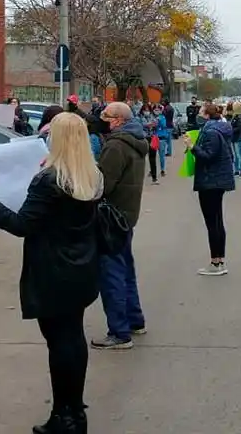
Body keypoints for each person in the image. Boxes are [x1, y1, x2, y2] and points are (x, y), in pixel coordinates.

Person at [0, 112, 102, 434]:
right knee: (73, 337)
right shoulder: (91, 175)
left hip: (53, 271)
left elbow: (22, 225)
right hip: (83, 267)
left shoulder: (49, 180)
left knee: (59, 342)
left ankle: (63, 417)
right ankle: (75, 411)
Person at [93, 102, 148, 350]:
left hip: (111, 217)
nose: (101, 120)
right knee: (125, 269)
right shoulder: (135, 140)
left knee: (111, 273)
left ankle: (119, 331)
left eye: (105, 116)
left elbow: (103, 185)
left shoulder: (116, 146)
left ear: (117, 121)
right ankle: (134, 320)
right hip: (126, 214)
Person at [183, 104, 235, 276]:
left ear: (206, 115)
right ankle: (219, 259)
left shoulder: (211, 132)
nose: (197, 114)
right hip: (215, 180)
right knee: (217, 221)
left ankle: (216, 262)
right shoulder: (216, 129)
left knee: (213, 222)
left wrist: (192, 147)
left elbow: (208, 156)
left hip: (211, 181)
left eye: (200, 112)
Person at [138, 103, 160, 185]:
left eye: (148, 110)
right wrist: (149, 125)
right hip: (143, 138)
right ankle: (139, 178)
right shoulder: (139, 117)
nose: (146, 112)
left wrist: (153, 124)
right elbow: (140, 125)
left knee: (152, 158)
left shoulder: (152, 116)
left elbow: (156, 123)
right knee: (141, 158)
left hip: (152, 138)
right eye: (145, 110)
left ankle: (154, 178)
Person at [153, 104, 170, 176]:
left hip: (161, 139)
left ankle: (162, 170)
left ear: (161, 111)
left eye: (158, 110)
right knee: (152, 155)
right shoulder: (151, 118)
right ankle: (152, 170)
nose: (156, 111)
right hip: (153, 138)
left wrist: (159, 120)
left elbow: (164, 125)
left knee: (161, 155)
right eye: (155, 110)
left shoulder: (162, 117)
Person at [230, 102, 241, 175]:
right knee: (235, 154)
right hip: (234, 137)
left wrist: (231, 129)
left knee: (239, 154)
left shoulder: (240, 117)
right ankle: (236, 169)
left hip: (238, 137)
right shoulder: (235, 116)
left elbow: (239, 128)